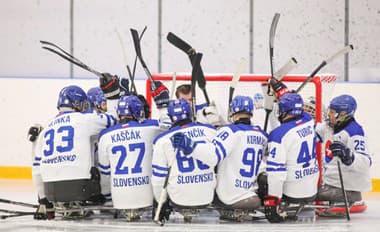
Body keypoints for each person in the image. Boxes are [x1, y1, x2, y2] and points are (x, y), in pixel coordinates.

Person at [32, 84, 117, 216]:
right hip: (81, 189)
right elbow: (114, 119)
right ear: (77, 103)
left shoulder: (46, 127)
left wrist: (44, 201)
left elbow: (37, 169)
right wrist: (114, 95)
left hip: (52, 193)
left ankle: (59, 203)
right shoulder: (86, 119)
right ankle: (104, 199)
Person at [97, 95, 165, 220]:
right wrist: (163, 104)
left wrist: (107, 196)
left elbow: (105, 173)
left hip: (119, 199)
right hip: (148, 196)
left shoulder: (105, 136)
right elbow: (170, 126)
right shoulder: (151, 128)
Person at [151, 98, 217, 223]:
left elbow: (158, 180)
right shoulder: (211, 131)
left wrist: (161, 203)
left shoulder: (162, 140)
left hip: (178, 199)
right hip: (208, 196)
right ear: (191, 113)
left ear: (170, 117)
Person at [262, 92, 319, 223]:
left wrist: (273, 202)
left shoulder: (279, 134)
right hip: (311, 190)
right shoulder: (308, 120)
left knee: (263, 173)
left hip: (292, 192)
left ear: (284, 110)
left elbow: (276, 173)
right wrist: (281, 91)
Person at [211, 95, 268, 220]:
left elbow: (212, 157)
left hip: (229, 195)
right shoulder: (262, 134)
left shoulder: (229, 131)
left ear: (233, 111)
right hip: (251, 191)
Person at [316, 95, 371, 212]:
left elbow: (366, 162)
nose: (329, 115)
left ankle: (350, 195)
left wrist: (349, 156)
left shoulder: (355, 132)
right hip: (331, 183)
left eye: (332, 112)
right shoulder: (329, 126)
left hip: (346, 186)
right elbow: (310, 132)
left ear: (343, 115)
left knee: (310, 194)